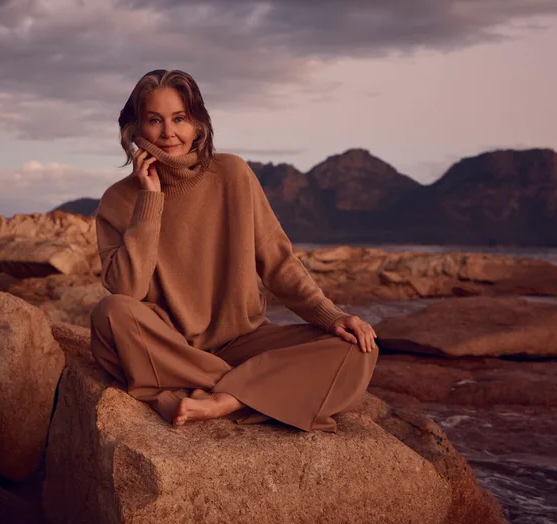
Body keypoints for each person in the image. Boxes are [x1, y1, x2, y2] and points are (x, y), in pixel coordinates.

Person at [89, 69, 379, 432]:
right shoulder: (118, 200)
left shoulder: (232, 173)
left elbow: (278, 263)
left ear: (198, 124)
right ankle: (256, 387)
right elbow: (127, 291)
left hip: (244, 341)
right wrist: (150, 200)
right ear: (136, 130)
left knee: (356, 347)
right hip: (171, 344)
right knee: (110, 314)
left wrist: (332, 316)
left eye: (179, 118)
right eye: (154, 120)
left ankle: (224, 399)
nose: (168, 133)